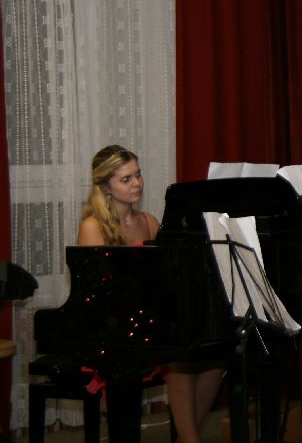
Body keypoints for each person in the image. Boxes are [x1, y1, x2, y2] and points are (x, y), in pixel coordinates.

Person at [78, 145, 225, 443]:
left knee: (216, 356)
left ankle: (187, 438)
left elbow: (167, 279)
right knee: (178, 358)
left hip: (149, 322)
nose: (137, 183)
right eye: (126, 179)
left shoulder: (149, 222)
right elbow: (97, 297)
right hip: (113, 332)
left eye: (138, 175)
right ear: (105, 186)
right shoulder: (93, 227)